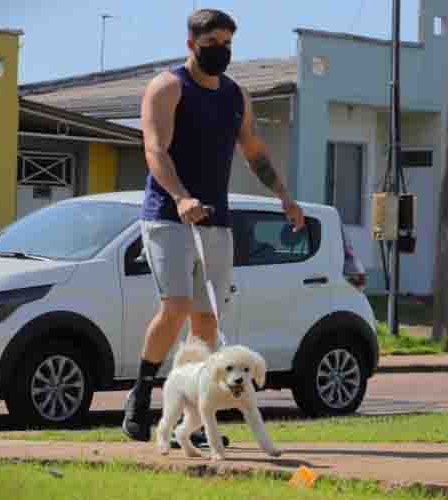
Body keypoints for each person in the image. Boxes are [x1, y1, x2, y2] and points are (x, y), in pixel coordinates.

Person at [122, 8, 304, 443]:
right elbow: (154, 150)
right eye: (211, 44)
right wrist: (181, 197)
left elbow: (254, 151)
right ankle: (141, 393)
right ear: (191, 44)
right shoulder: (168, 87)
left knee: (206, 320)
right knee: (177, 306)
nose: (220, 52)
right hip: (168, 216)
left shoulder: (235, 95)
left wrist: (284, 195)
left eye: (227, 45)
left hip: (217, 220)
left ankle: (193, 421)